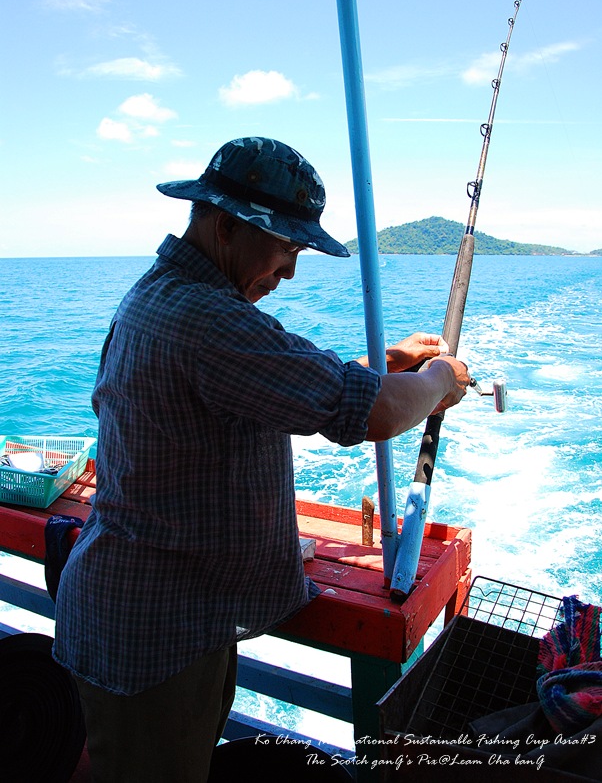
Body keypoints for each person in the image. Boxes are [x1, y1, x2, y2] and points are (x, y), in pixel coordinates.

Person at [53, 136, 470, 783]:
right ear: (226, 227)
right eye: (287, 249)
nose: (291, 272)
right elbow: (376, 415)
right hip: (154, 640)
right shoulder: (204, 318)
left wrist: (386, 366)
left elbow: (273, 381)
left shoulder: (166, 298)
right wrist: (442, 378)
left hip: (148, 618)